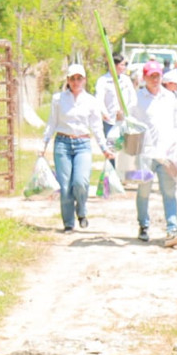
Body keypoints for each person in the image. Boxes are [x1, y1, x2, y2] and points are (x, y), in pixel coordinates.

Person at [42, 63, 113, 232]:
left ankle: (81, 210)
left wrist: (104, 148)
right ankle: (68, 222)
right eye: (72, 79)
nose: (76, 82)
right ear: (68, 80)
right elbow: (52, 123)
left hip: (82, 144)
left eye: (79, 78)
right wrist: (43, 144)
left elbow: (96, 127)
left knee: (81, 181)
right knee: (65, 185)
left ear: (84, 80)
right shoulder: (58, 99)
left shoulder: (91, 101)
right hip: (63, 143)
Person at [133, 61, 177, 247]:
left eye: (157, 75)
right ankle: (143, 225)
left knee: (169, 192)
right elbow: (130, 122)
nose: (155, 79)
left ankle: (172, 228)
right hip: (145, 154)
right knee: (143, 191)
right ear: (145, 77)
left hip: (166, 153)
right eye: (151, 76)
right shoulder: (137, 98)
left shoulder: (170, 97)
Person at [94, 53, 137, 168]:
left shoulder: (126, 80)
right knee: (112, 149)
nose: (124, 67)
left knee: (125, 150)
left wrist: (127, 112)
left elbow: (133, 98)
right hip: (110, 122)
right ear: (113, 65)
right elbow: (99, 100)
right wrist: (105, 113)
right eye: (122, 65)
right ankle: (112, 172)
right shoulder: (103, 81)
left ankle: (124, 172)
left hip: (125, 121)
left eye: (125, 65)